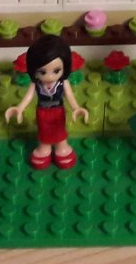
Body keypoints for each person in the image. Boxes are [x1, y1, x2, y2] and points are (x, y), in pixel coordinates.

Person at [5, 35, 89, 170]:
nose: (49, 76)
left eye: (56, 71)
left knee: (59, 130)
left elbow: (69, 95)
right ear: (34, 70)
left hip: (58, 111)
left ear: (65, 67)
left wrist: (76, 107)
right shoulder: (37, 84)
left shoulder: (62, 83)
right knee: (44, 131)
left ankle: (62, 147)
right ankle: (44, 148)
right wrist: (19, 108)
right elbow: (29, 96)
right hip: (42, 112)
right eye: (42, 72)